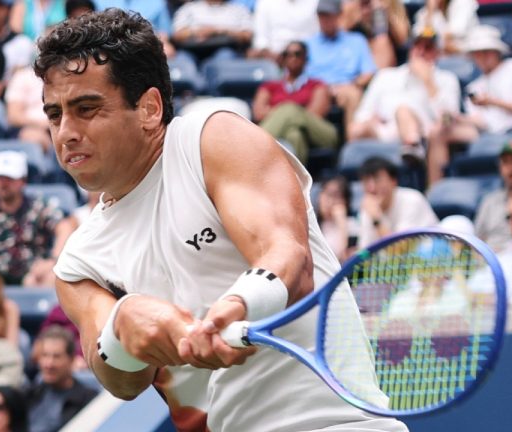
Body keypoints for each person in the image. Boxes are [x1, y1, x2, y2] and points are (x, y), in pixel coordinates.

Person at [34, 9, 406, 431]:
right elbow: (119, 380)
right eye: (54, 114)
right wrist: (124, 327)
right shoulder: (78, 262)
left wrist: (233, 307)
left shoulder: (211, 140)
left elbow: (288, 257)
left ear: (150, 108)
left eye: (86, 108)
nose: (65, 131)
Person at [428, 25, 512, 183]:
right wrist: (456, 117)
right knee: (438, 130)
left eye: (486, 51)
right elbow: (481, 121)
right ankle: (436, 187)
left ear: (497, 51)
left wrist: (493, 102)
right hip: (486, 133)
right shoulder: (474, 87)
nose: (482, 57)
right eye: (477, 53)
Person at [348, 28, 460, 166]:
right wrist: (369, 122)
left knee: (403, 111)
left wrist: (428, 82)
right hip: (385, 130)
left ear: (437, 53)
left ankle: (412, 147)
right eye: (417, 46)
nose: (421, 52)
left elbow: (448, 120)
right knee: (355, 129)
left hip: (425, 133)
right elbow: (362, 115)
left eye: (428, 48)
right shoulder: (386, 76)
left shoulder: (447, 79)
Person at [0, 151, 73, 286]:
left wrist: (53, 259)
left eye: (9, 178)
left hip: (34, 274)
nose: (3, 184)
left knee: (51, 278)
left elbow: (64, 227)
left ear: (23, 181)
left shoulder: (37, 207)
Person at [251, 40, 338, 164]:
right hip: (289, 135)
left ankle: (254, 146)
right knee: (295, 135)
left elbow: (314, 114)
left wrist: (283, 110)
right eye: (287, 54)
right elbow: (259, 113)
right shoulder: (269, 86)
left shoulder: (318, 84)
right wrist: (289, 112)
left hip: (319, 133)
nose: (292, 58)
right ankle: (296, 182)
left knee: (290, 109)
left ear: (305, 58)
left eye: (297, 54)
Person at [305, 0, 377, 133]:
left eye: (329, 15)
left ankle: (352, 144)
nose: (325, 20)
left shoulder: (356, 40)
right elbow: (300, 76)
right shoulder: (308, 44)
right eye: (321, 15)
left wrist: (353, 84)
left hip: (346, 87)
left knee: (353, 94)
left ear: (339, 15)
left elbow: (368, 72)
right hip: (316, 89)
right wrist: (323, 88)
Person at [356, 156, 438, 248]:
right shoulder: (368, 209)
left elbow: (400, 249)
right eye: (366, 181)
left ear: (393, 181)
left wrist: (377, 219)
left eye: (377, 180)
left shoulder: (412, 200)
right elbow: (364, 252)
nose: (372, 188)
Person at [25, 327, 97, 432]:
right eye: (45, 355)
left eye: (56, 357)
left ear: (71, 360)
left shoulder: (89, 401)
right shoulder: (30, 394)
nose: (49, 364)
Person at [475, 140, 512, 252]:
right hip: (492, 262)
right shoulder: (490, 201)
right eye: (505, 162)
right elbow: (478, 242)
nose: (510, 169)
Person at [170, 0, 253, 66]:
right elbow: (177, 36)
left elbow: (246, 36)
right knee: (182, 60)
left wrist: (218, 31)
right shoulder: (189, 8)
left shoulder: (238, 9)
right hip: (192, 50)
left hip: (226, 50)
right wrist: (196, 32)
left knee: (224, 56)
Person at [340, 0, 410, 68]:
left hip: (386, 63)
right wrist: (355, 16)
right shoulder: (351, 5)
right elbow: (336, 33)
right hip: (353, 60)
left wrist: (380, 15)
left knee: (382, 40)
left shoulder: (387, 4)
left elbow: (402, 39)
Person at [248, 0, 319, 61]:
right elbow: (261, 40)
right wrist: (273, 56)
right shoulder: (265, 2)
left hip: (308, 58)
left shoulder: (315, 2)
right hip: (274, 59)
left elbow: (318, 35)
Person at [411, 0, 478, 56]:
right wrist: (430, 13)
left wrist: (438, 40)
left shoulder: (463, 2)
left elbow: (456, 31)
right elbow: (420, 36)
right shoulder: (425, 12)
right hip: (439, 58)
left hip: (468, 55)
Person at [315, 175, 354, 262]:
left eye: (336, 196)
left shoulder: (352, 226)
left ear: (346, 202)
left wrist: (341, 223)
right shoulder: (311, 226)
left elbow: (344, 259)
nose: (330, 201)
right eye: (327, 194)